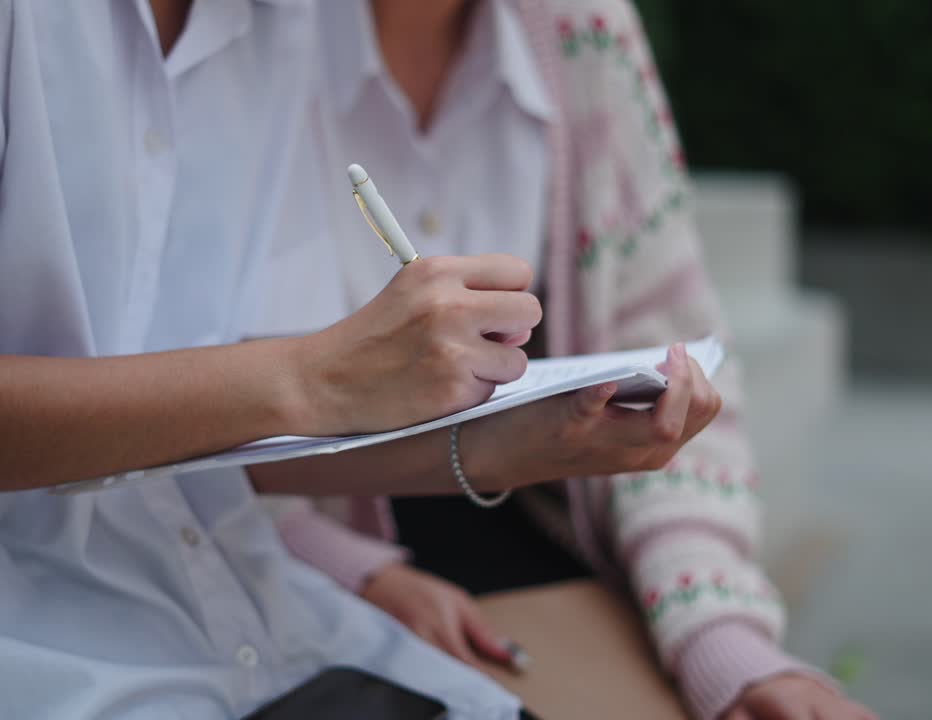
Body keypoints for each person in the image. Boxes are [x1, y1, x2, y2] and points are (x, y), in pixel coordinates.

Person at [0, 1, 724, 718]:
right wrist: (310, 373)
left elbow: (245, 421)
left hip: (254, 626)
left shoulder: (278, 22)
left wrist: (506, 445)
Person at [257, 1, 877, 718]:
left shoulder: (582, 31)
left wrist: (725, 645)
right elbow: (169, 395)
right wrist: (347, 571)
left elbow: (673, 357)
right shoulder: (248, 28)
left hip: (537, 532)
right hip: (280, 564)